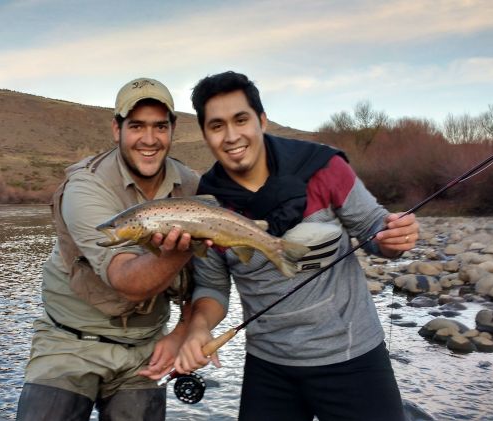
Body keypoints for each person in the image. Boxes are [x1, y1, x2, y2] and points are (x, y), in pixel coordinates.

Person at [174, 71, 420, 421]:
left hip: (352, 357)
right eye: (216, 126)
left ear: (261, 120)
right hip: (269, 367)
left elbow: (373, 228)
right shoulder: (206, 204)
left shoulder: (324, 167)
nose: (231, 136)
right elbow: (213, 287)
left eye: (240, 120)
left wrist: (395, 238)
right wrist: (199, 328)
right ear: (205, 134)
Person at [17, 77, 205, 421]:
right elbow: (125, 279)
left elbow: (210, 277)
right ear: (116, 129)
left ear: (173, 129)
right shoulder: (86, 186)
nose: (149, 139)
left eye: (159, 126)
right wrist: (180, 251)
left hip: (147, 347)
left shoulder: (191, 186)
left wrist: (182, 333)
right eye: (136, 126)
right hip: (69, 342)